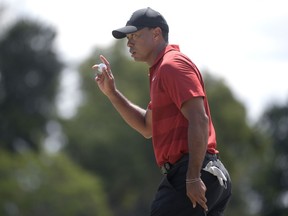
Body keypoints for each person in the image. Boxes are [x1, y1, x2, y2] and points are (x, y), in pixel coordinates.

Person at [92, 7, 232, 216]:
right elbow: (147, 127)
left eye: (135, 36)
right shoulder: (160, 71)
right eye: (128, 38)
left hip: (194, 171)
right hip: (208, 173)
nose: (129, 43)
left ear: (156, 33)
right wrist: (112, 94)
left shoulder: (171, 65)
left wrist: (193, 177)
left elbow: (199, 119)